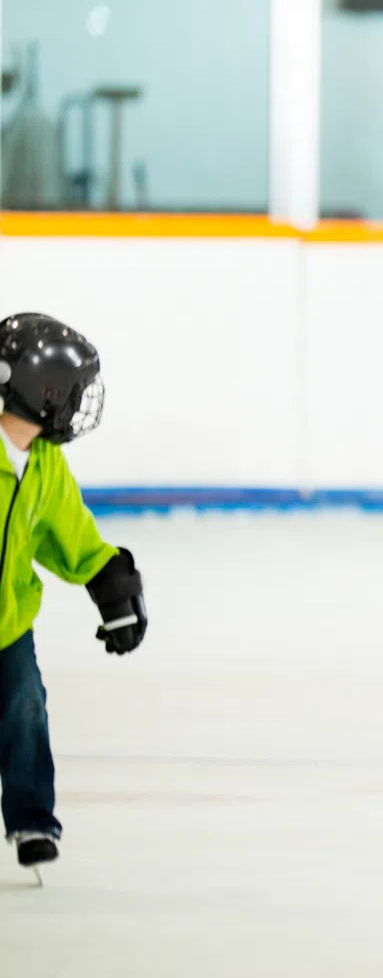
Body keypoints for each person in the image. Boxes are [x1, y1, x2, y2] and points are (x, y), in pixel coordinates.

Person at [0, 314, 150, 881]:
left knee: (25, 709)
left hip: (7, 621)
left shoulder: (43, 463)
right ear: (41, 392)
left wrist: (110, 584)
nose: (77, 404)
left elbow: (70, 533)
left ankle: (32, 820)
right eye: (70, 391)